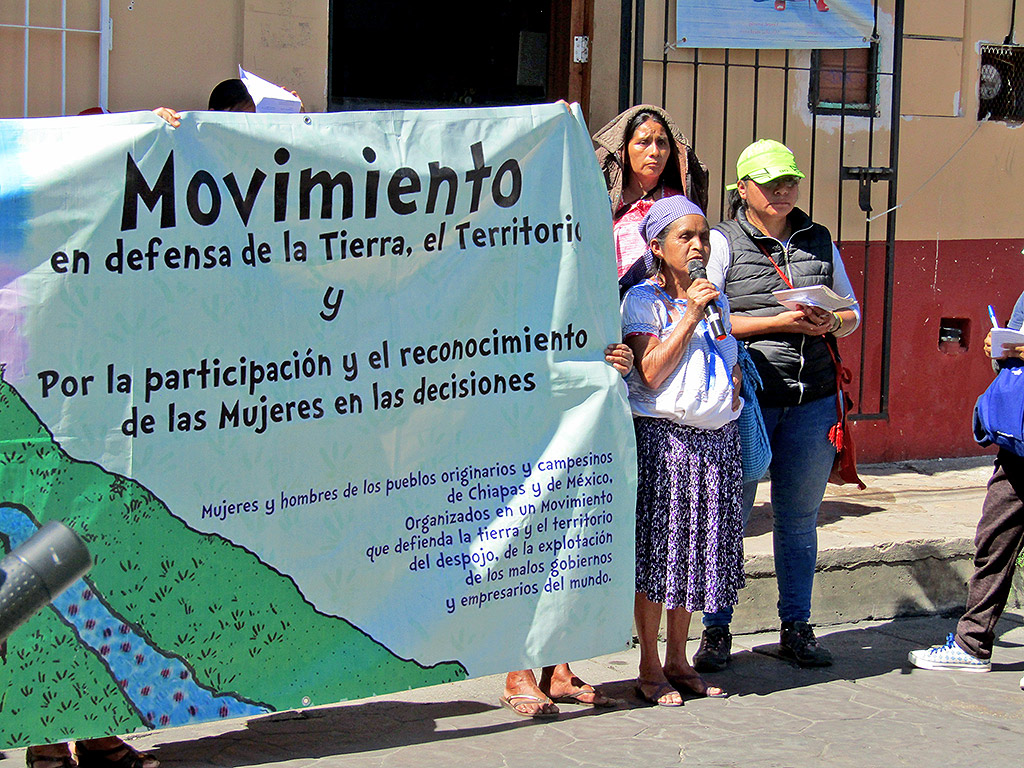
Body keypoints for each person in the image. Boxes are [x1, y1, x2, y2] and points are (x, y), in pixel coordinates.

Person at [695, 139, 861, 671]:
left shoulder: (818, 240)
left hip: (812, 399)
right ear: (742, 188)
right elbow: (709, 317)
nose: (784, 191)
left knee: (798, 519)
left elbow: (852, 311)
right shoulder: (722, 242)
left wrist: (830, 322)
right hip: (749, 400)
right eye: (770, 184)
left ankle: (796, 627)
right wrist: (776, 323)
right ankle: (716, 630)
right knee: (730, 516)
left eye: (790, 181)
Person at [622, 195, 745, 706]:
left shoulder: (716, 299)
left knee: (696, 556)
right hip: (665, 441)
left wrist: (734, 382)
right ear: (657, 246)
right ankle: (649, 665)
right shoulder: (643, 301)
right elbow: (648, 372)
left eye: (702, 235)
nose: (697, 245)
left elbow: (729, 352)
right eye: (684, 237)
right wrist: (690, 313)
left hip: (717, 439)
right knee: (661, 555)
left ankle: (680, 657)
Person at [499, 342, 632, 718]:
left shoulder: (586, 283)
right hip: (514, 407)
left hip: (572, 420)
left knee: (567, 543)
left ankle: (557, 669)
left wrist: (622, 358)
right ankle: (517, 673)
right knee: (521, 546)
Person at [909, 292, 1024, 690]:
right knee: (993, 542)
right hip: (1018, 444)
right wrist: (1000, 348)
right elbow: (1007, 365)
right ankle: (972, 644)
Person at [592, 105, 709, 280]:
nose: (654, 152)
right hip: (611, 298)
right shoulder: (602, 201)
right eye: (643, 142)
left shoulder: (680, 204)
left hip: (665, 300)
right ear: (624, 149)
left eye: (661, 143)